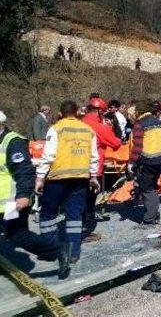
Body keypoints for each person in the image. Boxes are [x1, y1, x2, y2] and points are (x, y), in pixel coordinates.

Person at [36, 101, 100, 279]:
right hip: (80, 179)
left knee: (48, 214)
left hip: (58, 179)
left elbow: (48, 156)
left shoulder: (56, 129)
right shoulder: (88, 130)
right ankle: (73, 253)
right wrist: (93, 177)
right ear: (76, 112)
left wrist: (40, 178)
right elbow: (94, 156)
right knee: (74, 216)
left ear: (60, 113)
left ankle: (51, 250)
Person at [0, 111, 61, 271]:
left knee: (17, 235)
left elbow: (25, 171)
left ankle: (55, 250)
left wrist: (23, 195)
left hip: (13, 202)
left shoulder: (13, 142)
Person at [81, 97, 121, 242]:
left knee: (77, 199)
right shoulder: (98, 127)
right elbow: (115, 143)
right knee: (89, 201)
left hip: (76, 168)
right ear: (99, 111)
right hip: (93, 169)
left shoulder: (80, 123)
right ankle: (85, 231)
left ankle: (76, 229)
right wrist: (108, 127)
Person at [130, 100, 161, 225]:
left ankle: (149, 219)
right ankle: (155, 215)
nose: (134, 113)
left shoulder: (140, 124)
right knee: (152, 188)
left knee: (147, 189)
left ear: (139, 111)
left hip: (147, 160)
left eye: (135, 111)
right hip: (160, 159)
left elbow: (137, 147)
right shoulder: (159, 122)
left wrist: (131, 163)